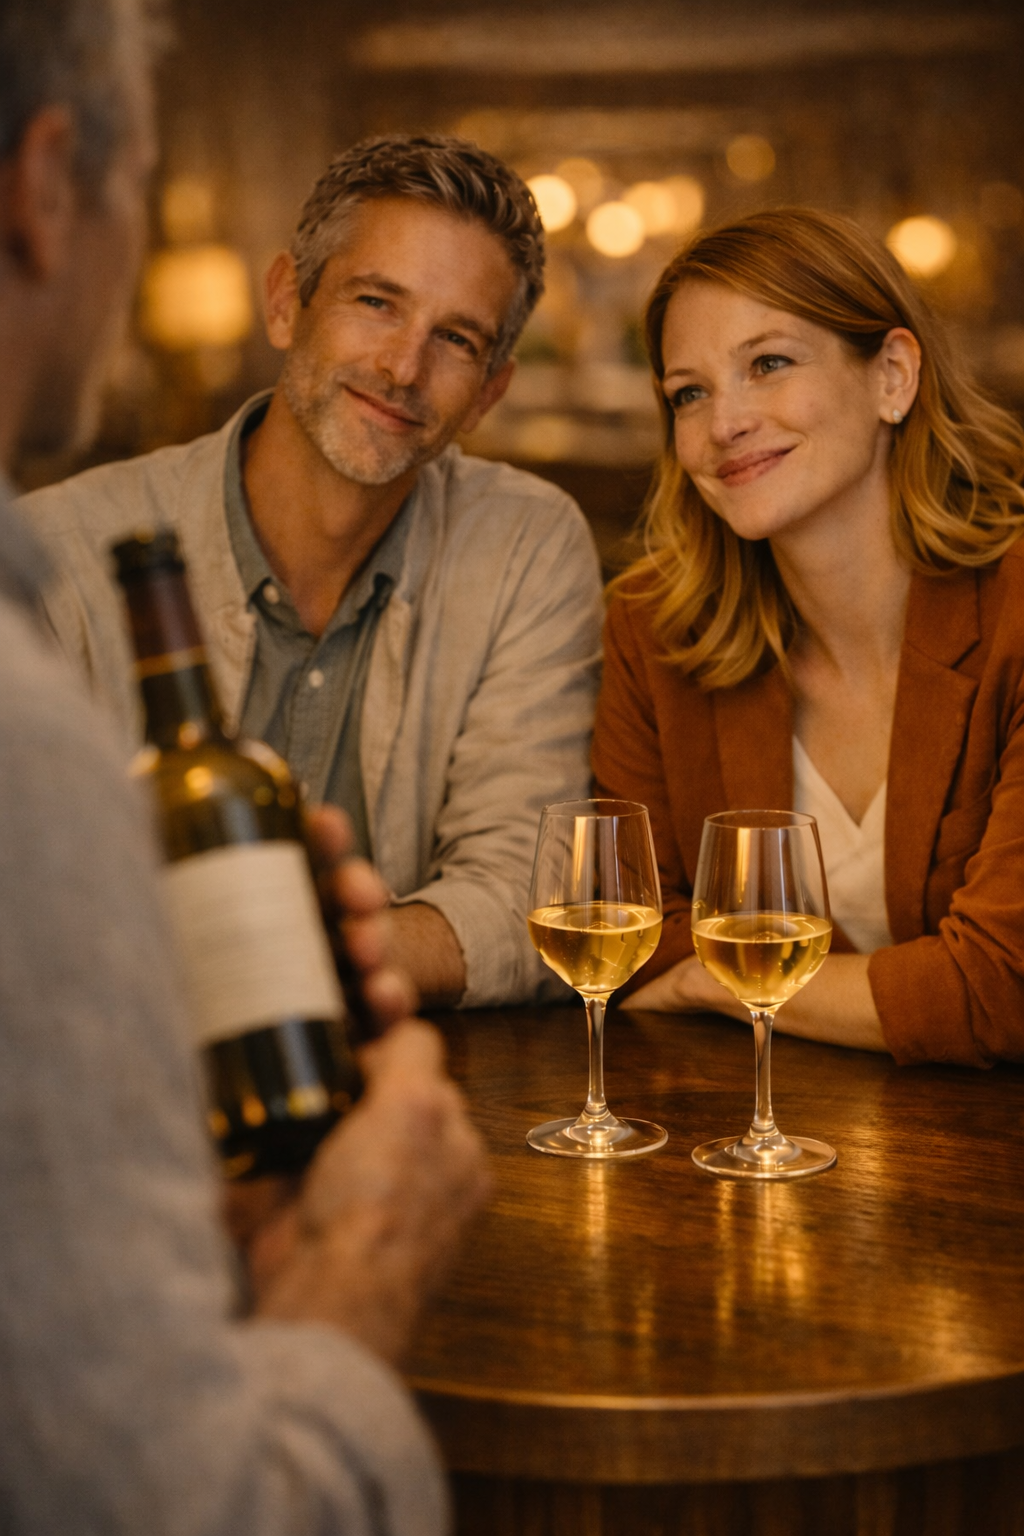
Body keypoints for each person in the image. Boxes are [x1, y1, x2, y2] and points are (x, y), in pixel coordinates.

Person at [0, 2, 489, 1531]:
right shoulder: (28, 741)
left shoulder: (517, 541)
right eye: (143, 187)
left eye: (460, 336)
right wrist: (359, 1267)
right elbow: (177, 1510)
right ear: (49, 180)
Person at [22, 133, 604, 1009]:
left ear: (490, 391)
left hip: (419, 1094)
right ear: (287, 302)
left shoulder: (527, 546)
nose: (403, 367)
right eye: (376, 303)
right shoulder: (58, 556)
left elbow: (527, 892)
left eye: (455, 339)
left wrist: (276, 963)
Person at [594, 207, 1024, 1069]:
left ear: (892, 376)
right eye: (691, 392)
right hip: (760, 1145)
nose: (725, 424)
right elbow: (629, 931)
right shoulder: (653, 628)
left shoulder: (1015, 611)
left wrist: (712, 980)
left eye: (769, 364)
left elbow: (1000, 988)